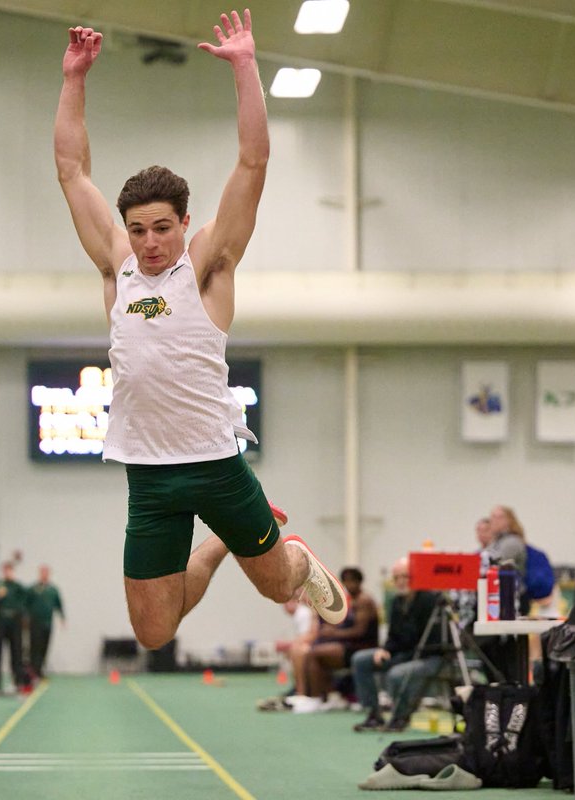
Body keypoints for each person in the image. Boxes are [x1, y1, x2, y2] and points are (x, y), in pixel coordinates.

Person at [53, 9, 347, 651]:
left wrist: (245, 65)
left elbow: (253, 162)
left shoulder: (208, 264)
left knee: (277, 586)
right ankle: (217, 548)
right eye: (138, 230)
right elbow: (73, 170)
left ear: (184, 223)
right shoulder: (118, 267)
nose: (150, 242)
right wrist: (74, 76)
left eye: (162, 228)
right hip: (148, 471)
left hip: (216, 464)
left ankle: (293, 554)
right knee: (154, 632)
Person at [352, 559, 443, 732]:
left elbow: (430, 643)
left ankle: (400, 718)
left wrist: (399, 657)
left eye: (405, 576)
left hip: (428, 656)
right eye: (397, 577)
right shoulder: (395, 602)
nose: (401, 581)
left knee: (396, 673)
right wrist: (384, 650)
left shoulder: (429, 601)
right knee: (361, 660)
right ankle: (374, 714)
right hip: (402, 654)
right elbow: (393, 636)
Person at [296, 568, 378, 712]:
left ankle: (315, 699)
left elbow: (359, 631)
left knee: (315, 654)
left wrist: (335, 633)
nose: (348, 584)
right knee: (313, 651)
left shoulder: (364, 601)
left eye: (352, 581)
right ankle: (332, 695)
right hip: (349, 644)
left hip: (362, 647)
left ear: (359, 582)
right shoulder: (351, 601)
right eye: (346, 581)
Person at [0, 560, 29, 695]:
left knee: (16, 650)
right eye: (5, 570)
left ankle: (17, 678)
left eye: (10, 570)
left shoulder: (17, 586)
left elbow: (26, 598)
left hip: (14, 622)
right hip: (1, 621)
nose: (7, 572)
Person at [27, 564, 65, 681]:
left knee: (45, 646)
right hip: (35, 623)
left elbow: (59, 604)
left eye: (46, 572)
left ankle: (40, 670)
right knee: (35, 646)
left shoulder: (53, 590)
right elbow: (26, 604)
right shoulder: (33, 589)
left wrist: (62, 617)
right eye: (42, 572)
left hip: (47, 623)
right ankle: (34, 671)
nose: (44, 574)